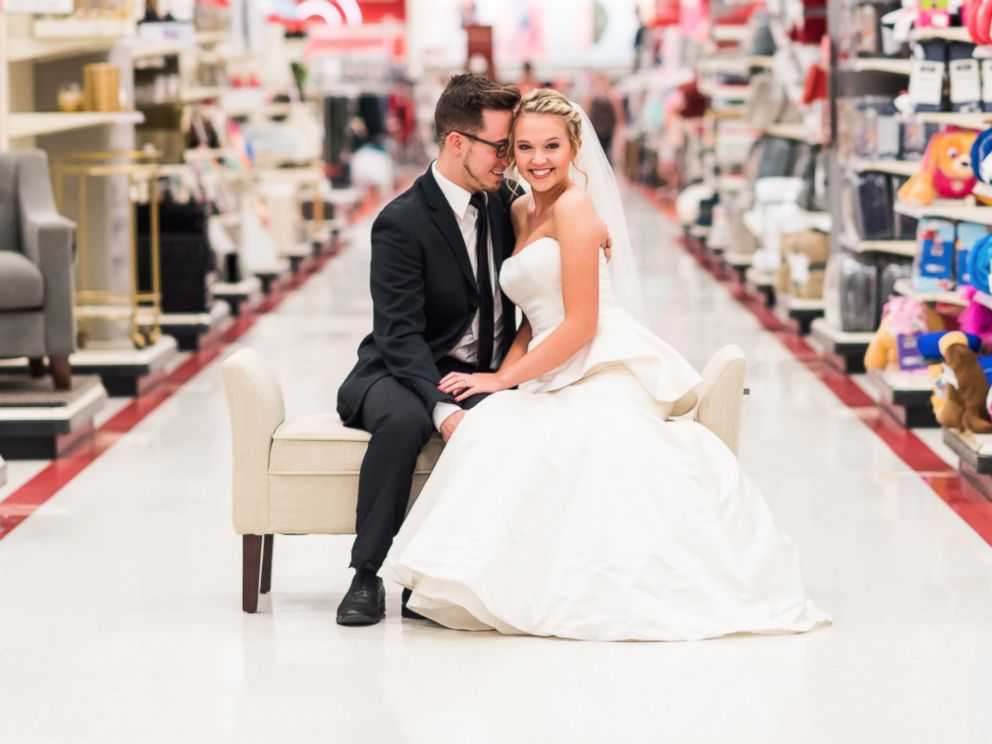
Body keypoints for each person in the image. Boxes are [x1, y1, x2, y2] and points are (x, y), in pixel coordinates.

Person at [379, 89, 830, 641]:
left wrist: (501, 378)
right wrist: (508, 383)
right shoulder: (515, 207)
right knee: (495, 426)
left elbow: (580, 325)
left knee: (593, 441)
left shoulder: (575, 209)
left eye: (551, 146)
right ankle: (473, 580)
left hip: (598, 359)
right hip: (548, 361)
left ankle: (600, 586)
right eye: (523, 147)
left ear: (575, 149)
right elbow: (532, 317)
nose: (537, 159)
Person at [334, 74, 521, 626]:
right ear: (456, 142)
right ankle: (366, 576)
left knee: (524, 424)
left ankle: (442, 578)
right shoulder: (401, 222)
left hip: (482, 370)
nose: (506, 160)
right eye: (500, 146)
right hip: (398, 367)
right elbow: (397, 334)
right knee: (404, 421)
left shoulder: (504, 203)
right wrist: (444, 410)